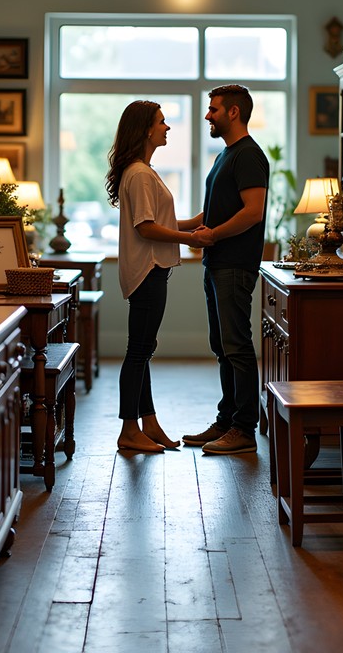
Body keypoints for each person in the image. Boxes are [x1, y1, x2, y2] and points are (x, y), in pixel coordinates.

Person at [106, 100, 214, 453]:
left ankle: (148, 423)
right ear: (145, 130)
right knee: (138, 351)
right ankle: (128, 429)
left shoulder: (143, 171)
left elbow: (159, 221)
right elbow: (147, 228)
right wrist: (190, 238)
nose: (167, 127)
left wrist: (194, 220)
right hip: (148, 270)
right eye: (162, 122)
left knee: (144, 349)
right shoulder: (139, 174)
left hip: (152, 270)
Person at [182, 85, 269, 455]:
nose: (207, 116)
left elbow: (253, 212)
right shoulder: (226, 156)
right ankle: (227, 419)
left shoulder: (249, 155)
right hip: (217, 262)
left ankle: (244, 429)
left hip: (234, 264)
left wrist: (212, 236)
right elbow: (212, 214)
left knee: (236, 347)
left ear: (233, 112)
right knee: (222, 346)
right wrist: (173, 226)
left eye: (213, 109)